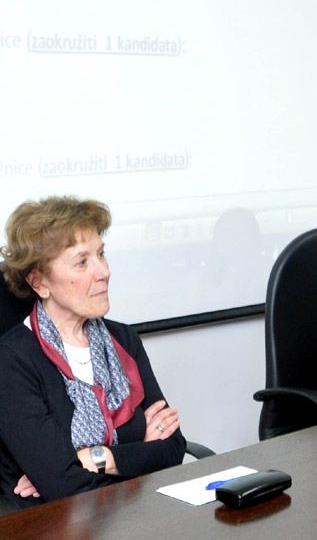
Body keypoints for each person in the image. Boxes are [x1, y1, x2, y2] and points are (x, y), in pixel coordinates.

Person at [0, 196, 185, 509]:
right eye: (82, 262)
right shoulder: (12, 361)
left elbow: (174, 448)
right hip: (58, 524)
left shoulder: (123, 339)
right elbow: (64, 486)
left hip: (134, 512)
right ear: (39, 282)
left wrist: (94, 457)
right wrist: (141, 452)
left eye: (101, 254)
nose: (104, 272)